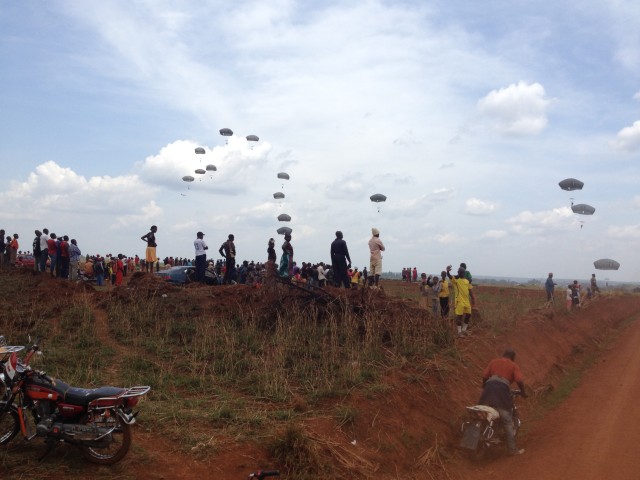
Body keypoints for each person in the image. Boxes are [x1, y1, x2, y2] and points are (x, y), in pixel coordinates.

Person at [478, 349, 527, 456]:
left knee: (481, 415)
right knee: (507, 421)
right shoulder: (513, 365)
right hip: (501, 392)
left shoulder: (494, 361)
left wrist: (484, 387)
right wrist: (523, 392)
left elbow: (485, 376)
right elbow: (519, 380)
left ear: (503, 355)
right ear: (513, 358)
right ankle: (512, 450)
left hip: (488, 389)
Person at [447, 265, 475, 337]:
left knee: (468, 315)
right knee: (459, 316)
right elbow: (450, 276)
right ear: (458, 273)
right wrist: (447, 271)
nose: (461, 273)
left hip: (466, 301)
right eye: (459, 272)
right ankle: (459, 332)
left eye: (462, 272)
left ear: (464, 273)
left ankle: (464, 330)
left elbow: (470, 290)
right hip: (459, 301)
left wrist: (473, 298)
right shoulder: (456, 281)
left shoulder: (467, 281)